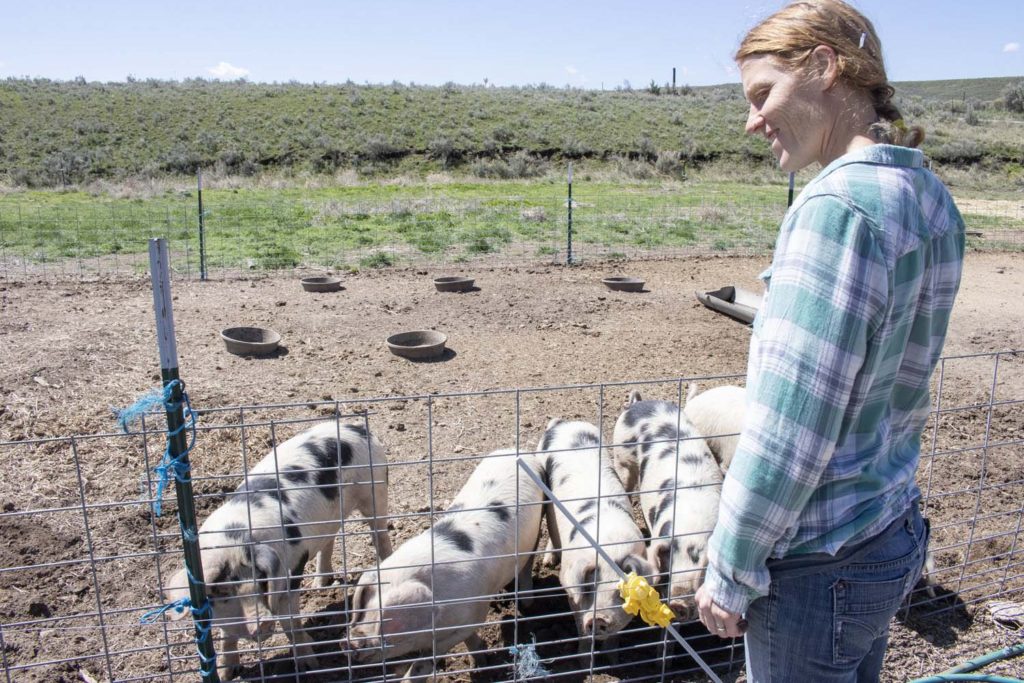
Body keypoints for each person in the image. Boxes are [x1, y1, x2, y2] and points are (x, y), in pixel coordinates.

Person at [693, 1, 966, 681]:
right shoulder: (929, 195)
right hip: (888, 528)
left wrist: (729, 569)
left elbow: (791, 432)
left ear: (823, 67)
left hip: (819, 562)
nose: (752, 120)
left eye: (763, 94)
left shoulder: (833, 210)